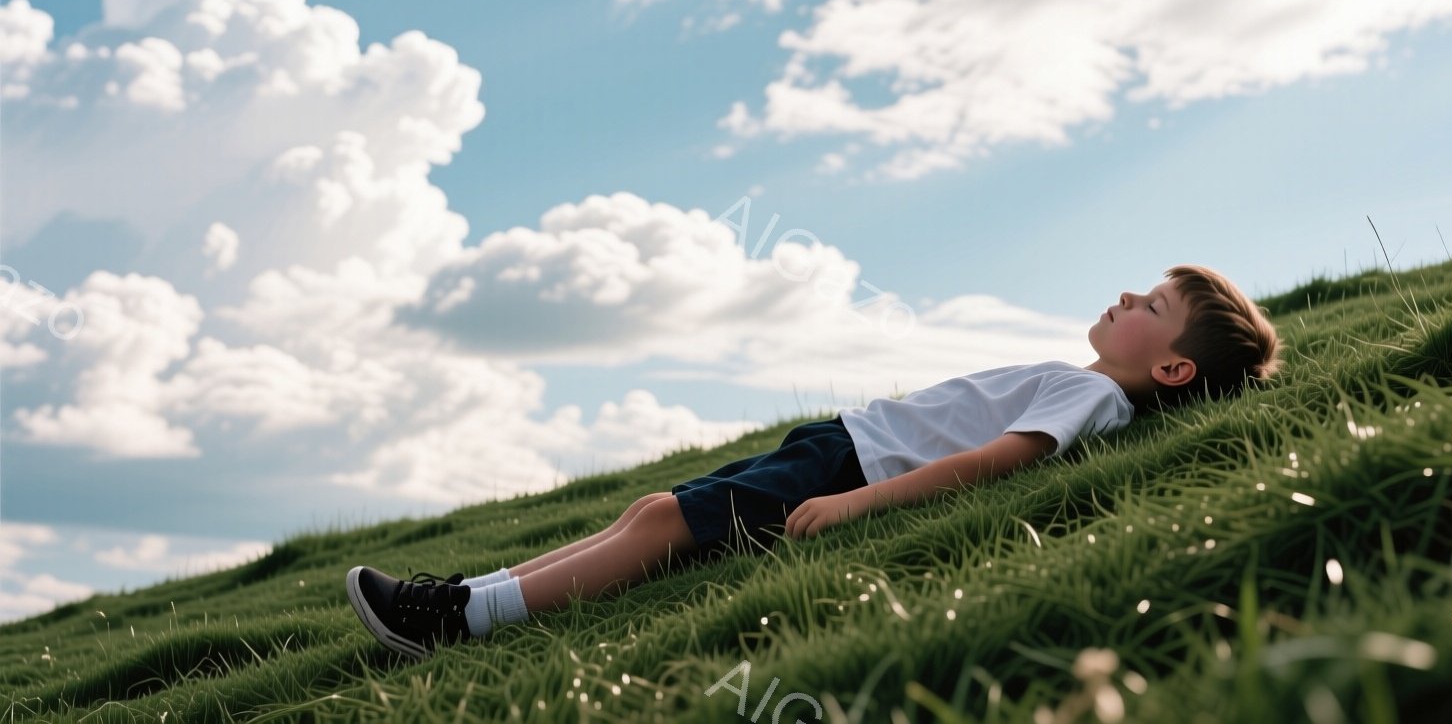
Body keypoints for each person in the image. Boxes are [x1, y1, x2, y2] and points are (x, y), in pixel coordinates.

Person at [346, 263, 1283, 660]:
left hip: (851, 471)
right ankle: (466, 595)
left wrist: (859, 506)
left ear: (1170, 365)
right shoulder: (1083, 379)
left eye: (1153, 304)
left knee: (667, 524)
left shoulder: (1095, 397)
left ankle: (456, 621)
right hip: (840, 444)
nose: (1128, 295)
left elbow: (995, 462)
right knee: (650, 510)